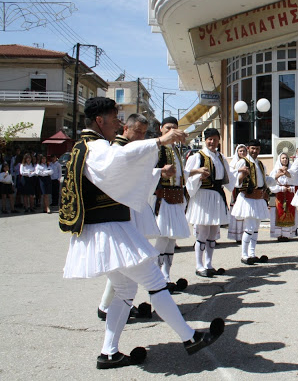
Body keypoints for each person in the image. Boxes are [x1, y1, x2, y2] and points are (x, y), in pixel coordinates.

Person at [60, 97, 224, 369]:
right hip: (110, 230)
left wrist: (156, 170)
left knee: (125, 289)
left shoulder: (85, 146)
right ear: (99, 120)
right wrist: (160, 142)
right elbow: (121, 159)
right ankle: (190, 337)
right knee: (154, 281)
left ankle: (109, 352)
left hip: (105, 229)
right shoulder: (97, 146)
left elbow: (122, 170)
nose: (119, 124)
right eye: (114, 119)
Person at [98, 113, 161, 322]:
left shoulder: (133, 148)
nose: (141, 137)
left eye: (144, 133)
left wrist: (158, 172)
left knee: (124, 263)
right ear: (126, 128)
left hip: (132, 207)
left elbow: (141, 177)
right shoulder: (117, 149)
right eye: (138, 132)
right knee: (122, 262)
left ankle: (110, 305)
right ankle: (107, 306)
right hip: (120, 209)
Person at [185, 128, 233, 276]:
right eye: (209, 139)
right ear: (205, 140)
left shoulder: (221, 157)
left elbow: (229, 176)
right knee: (202, 232)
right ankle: (199, 266)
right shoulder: (197, 156)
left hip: (216, 195)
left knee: (213, 233)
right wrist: (198, 177)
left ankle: (209, 263)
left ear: (219, 140)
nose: (212, 142)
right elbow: (187, 175)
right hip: (203, 196)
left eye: (215, 139)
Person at [153, 117, 191, 293]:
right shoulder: (157, 148)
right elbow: (148, 170)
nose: (172, 131)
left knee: (171, 239)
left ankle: (166, 276)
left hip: (176, 197)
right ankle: (155, 279)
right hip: (164, 198)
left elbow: (181, 173)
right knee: (162, 238)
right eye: (168, 128)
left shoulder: (176, 149)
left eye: (175, 128)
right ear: (161, 129)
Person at [232, 139, 277, 264]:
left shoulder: (261, 164)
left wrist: (276, 177)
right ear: (248, 148)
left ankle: (252, 253)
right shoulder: (242, 162)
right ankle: (244, 255)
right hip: (248, 198)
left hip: (258, 198)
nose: (255, 151)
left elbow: (264, 180)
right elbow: (235, 179)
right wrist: (242, 175)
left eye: (257, 149)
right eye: (252, 148)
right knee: (250, 227)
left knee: (255, 227)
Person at [269, 152, 297, 242]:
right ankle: (279, 234)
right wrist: (281, 188)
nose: (285, 160)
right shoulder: (275, 171)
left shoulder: (292, 171)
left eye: (286, 158)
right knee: (279, 214)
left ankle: (287, 234)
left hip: (290, 196)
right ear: (279, 160)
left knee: (289, 213)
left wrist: (291, 188)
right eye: (283, 158)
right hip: (279, 196)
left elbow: (297, 183)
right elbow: (271, 184)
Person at [227, 144, 248, 244]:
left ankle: (245, 234)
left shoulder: (248, 162)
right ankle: (237, 235)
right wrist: (239, 170)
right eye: (240, 151)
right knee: (237, 212)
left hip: (246, 189)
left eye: (244, 151)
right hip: (237, 190)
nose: (242, 153)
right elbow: (229, 173)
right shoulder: (233, 163)